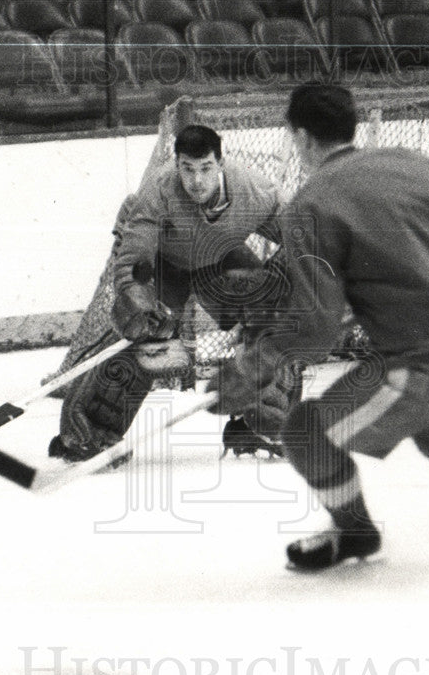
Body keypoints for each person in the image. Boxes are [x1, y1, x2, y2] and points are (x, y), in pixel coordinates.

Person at [209, 84, 429, 571]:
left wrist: (255, 361)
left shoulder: (311, 204)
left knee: (304, 430)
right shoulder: (411, 162)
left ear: (299, 137)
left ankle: (354, 532)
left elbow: (317, 329)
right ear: (352, 126)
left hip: (427, 354)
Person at [50, 124, 295, 463]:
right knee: (144, 335)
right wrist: (137, 297)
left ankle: (264, 420)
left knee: (270, 317)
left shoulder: (254, 190)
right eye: (187, 169)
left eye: (206, 168)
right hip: (165, 262)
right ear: (177, 164)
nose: (196, 180)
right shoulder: (159, 190)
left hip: (220, 255)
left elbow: (304, 238)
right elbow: (137, 256)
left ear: (220, 163)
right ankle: (88, 434)